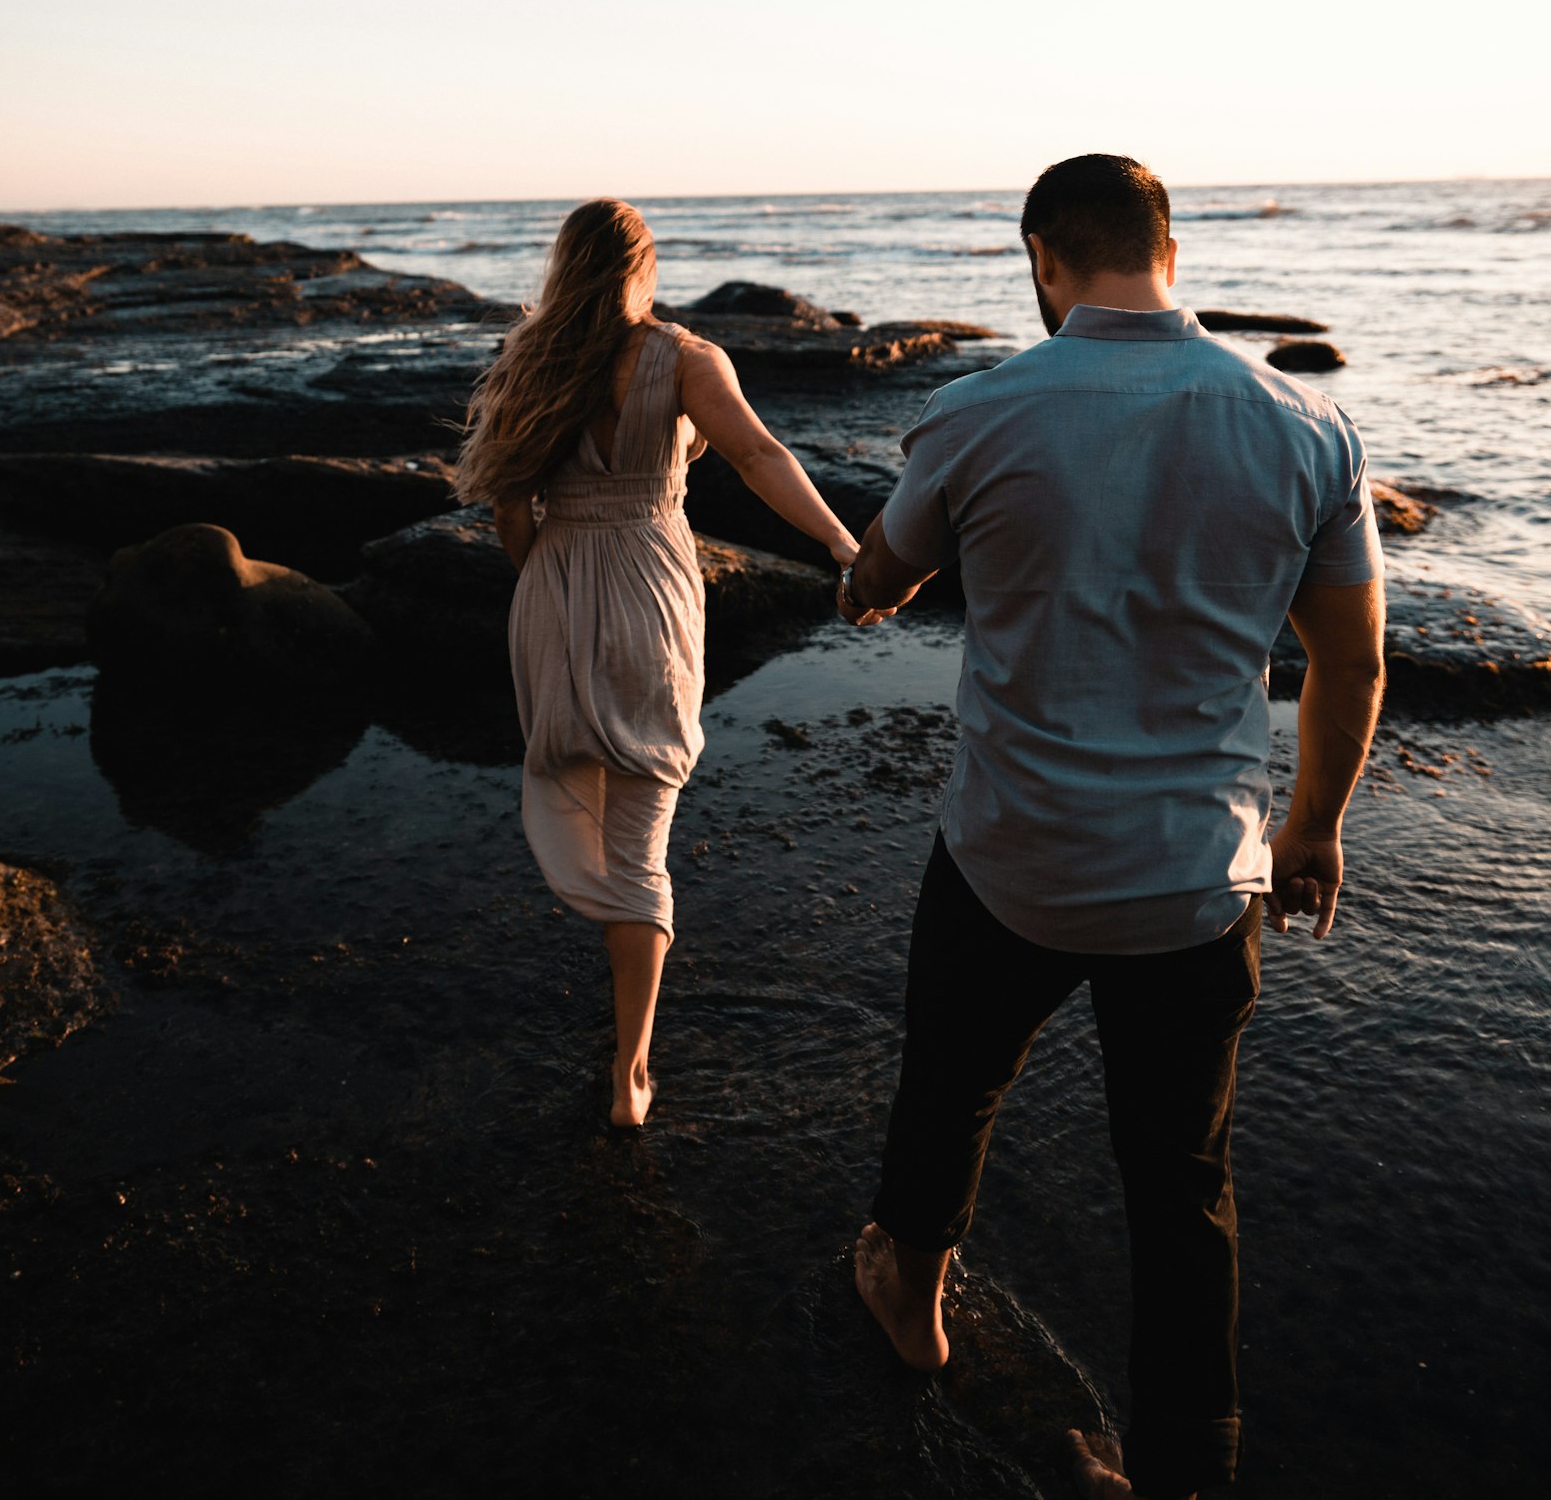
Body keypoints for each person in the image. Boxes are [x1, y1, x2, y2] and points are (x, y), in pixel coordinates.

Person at [833, 154, 1386, 1500]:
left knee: (951, 1085)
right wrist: (1312, 831)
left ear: (1042, 257)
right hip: (1200, 877)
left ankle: (909, 1293)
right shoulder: (1306, 425)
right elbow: (1354, 665)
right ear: (1171, 252)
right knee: (1182, 1184)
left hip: (1009, 859)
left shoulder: (979, 412)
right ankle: (1187, 1472)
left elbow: (878, 575)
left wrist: (874, 579)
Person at [455, 198, 866, 1129]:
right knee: (644, 821)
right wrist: (845, 545)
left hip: (555, 586)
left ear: (565, 266)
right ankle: (631, 1068)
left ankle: (607, 930)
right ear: (643, 266)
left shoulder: (530, 361)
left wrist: (548, 586)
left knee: (568, 769)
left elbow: (511, 513)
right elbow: (758, 455)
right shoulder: (684, 359)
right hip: (650, 585)